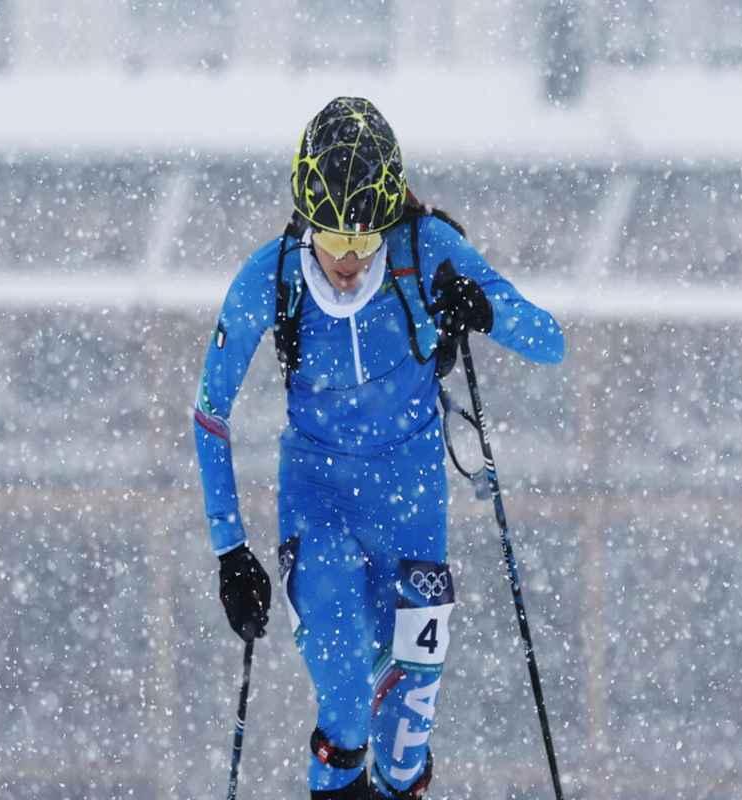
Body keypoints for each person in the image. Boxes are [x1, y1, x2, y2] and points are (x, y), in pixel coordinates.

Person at [194, 96, 565, 799]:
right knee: (343, 706)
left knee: (402, 744)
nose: (347, 261)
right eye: (333, 240)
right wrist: (230, 552)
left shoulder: (426, 251)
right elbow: (210, 414)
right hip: (319, 502)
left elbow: (550, 340)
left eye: (365, 244)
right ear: (307, 222)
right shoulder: (269, 279)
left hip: (411, 511)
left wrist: (480, 309)